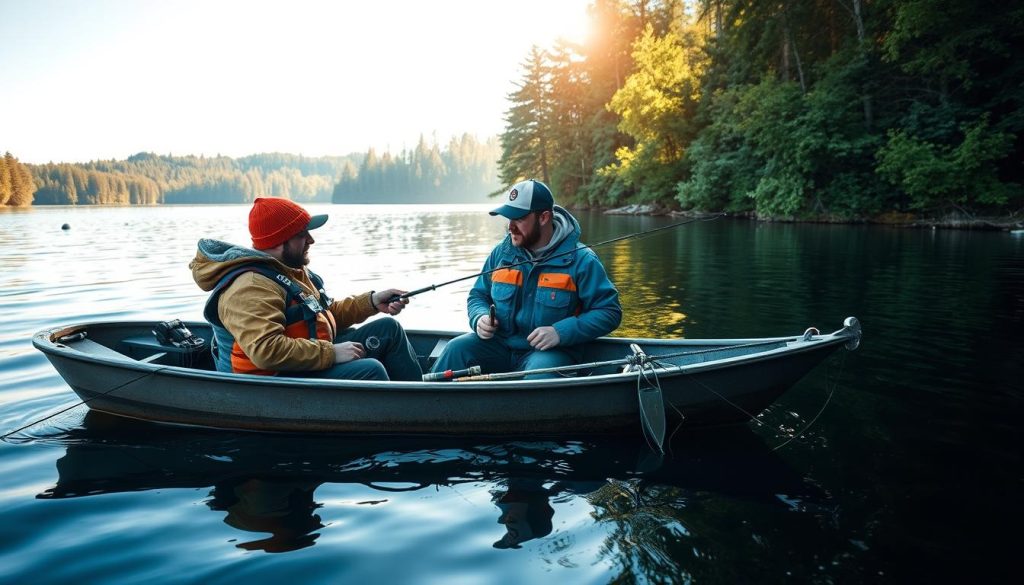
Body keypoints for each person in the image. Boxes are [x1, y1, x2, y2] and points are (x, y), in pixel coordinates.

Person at [190, 197, 422, 381]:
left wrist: (371, 302)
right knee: (370, 370)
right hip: (270, 383)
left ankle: (421, 402)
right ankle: (405, 421)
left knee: (388, 329)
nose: (311, 240)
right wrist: (331, 353)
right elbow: (265, 350)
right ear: (281, 241)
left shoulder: (290, 270)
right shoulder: (250, 286)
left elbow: (322, 316)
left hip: (300, 364)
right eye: (302, 234)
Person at [429, 179, 621, 379]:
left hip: (552, 354)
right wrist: (480, 317)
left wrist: (560, 332)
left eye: (518, 218)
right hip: (499, 346)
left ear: (544, 217)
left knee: (540, 375)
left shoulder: (582, 260)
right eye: (508, 218)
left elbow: (609, 312)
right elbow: (478, 296)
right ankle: (424, 404)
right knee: (456, 348)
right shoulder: (501, 254)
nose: (510, 227)